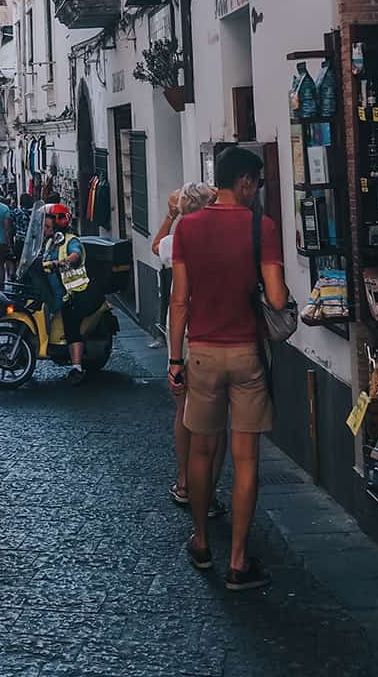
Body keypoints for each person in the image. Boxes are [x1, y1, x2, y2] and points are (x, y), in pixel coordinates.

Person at [167, 149, 288, 591]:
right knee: (246, 459)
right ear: (244, 182)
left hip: (200, 352)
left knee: (201, 451)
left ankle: (201, 541)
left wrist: (175, 358)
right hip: (247, 355)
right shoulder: (263, 227)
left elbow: (179, 300)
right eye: (256, 182)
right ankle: (239, 560)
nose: (256, 190)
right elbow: (276, 300)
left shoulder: (188, 228)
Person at [160, 184, 220, 511]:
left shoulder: (177, 241)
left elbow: (157, 245)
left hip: (184, 336)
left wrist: (172, 215)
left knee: (185, 414)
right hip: (217, 335)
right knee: (215, 425)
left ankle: (185, 482)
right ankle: (207, 493)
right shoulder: (224, 237)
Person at [36, 202, 96, 383]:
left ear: (58, 225)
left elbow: (75, 255)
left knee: (71, 324)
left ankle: (77, 368)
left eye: (47, 226)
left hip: (77, 292)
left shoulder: (71, 241)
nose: (44, 230)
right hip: (59, 292)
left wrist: (60, 263)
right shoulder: (49, 243)